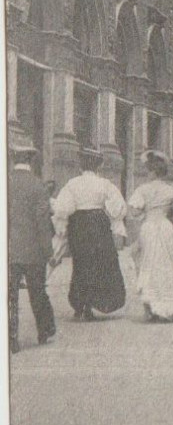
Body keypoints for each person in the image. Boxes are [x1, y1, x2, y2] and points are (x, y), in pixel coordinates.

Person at [51, 148, 127, 321]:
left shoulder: (72, 183)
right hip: (98, 223)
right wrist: (113, 218)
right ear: (98, 167)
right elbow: (119, 207)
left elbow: (63, 208)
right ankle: (92, 304)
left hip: (79, 224)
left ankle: (80, 304)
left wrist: (64, 222)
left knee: (81, 263)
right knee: (98, 263)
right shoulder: (104, 184)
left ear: (81, 165)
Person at [127, 151, 173, 322]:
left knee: (148, 264)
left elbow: (134, 211)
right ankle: (169, 305)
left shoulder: (142, 189)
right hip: (166, 229)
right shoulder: (170, 190)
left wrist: (145, 214)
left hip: (149, 228)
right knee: (167, 265)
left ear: (151, 172)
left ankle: (151, 307)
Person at [8, 143, 56, 353]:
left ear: (13, 159)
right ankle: (44, 330)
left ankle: (11, 337)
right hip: (34, 251)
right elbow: (42, 224)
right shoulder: (38, 186)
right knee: (37, 292)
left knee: (9, 295)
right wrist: (49, 252)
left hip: (8, 251)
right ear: (31, 161)